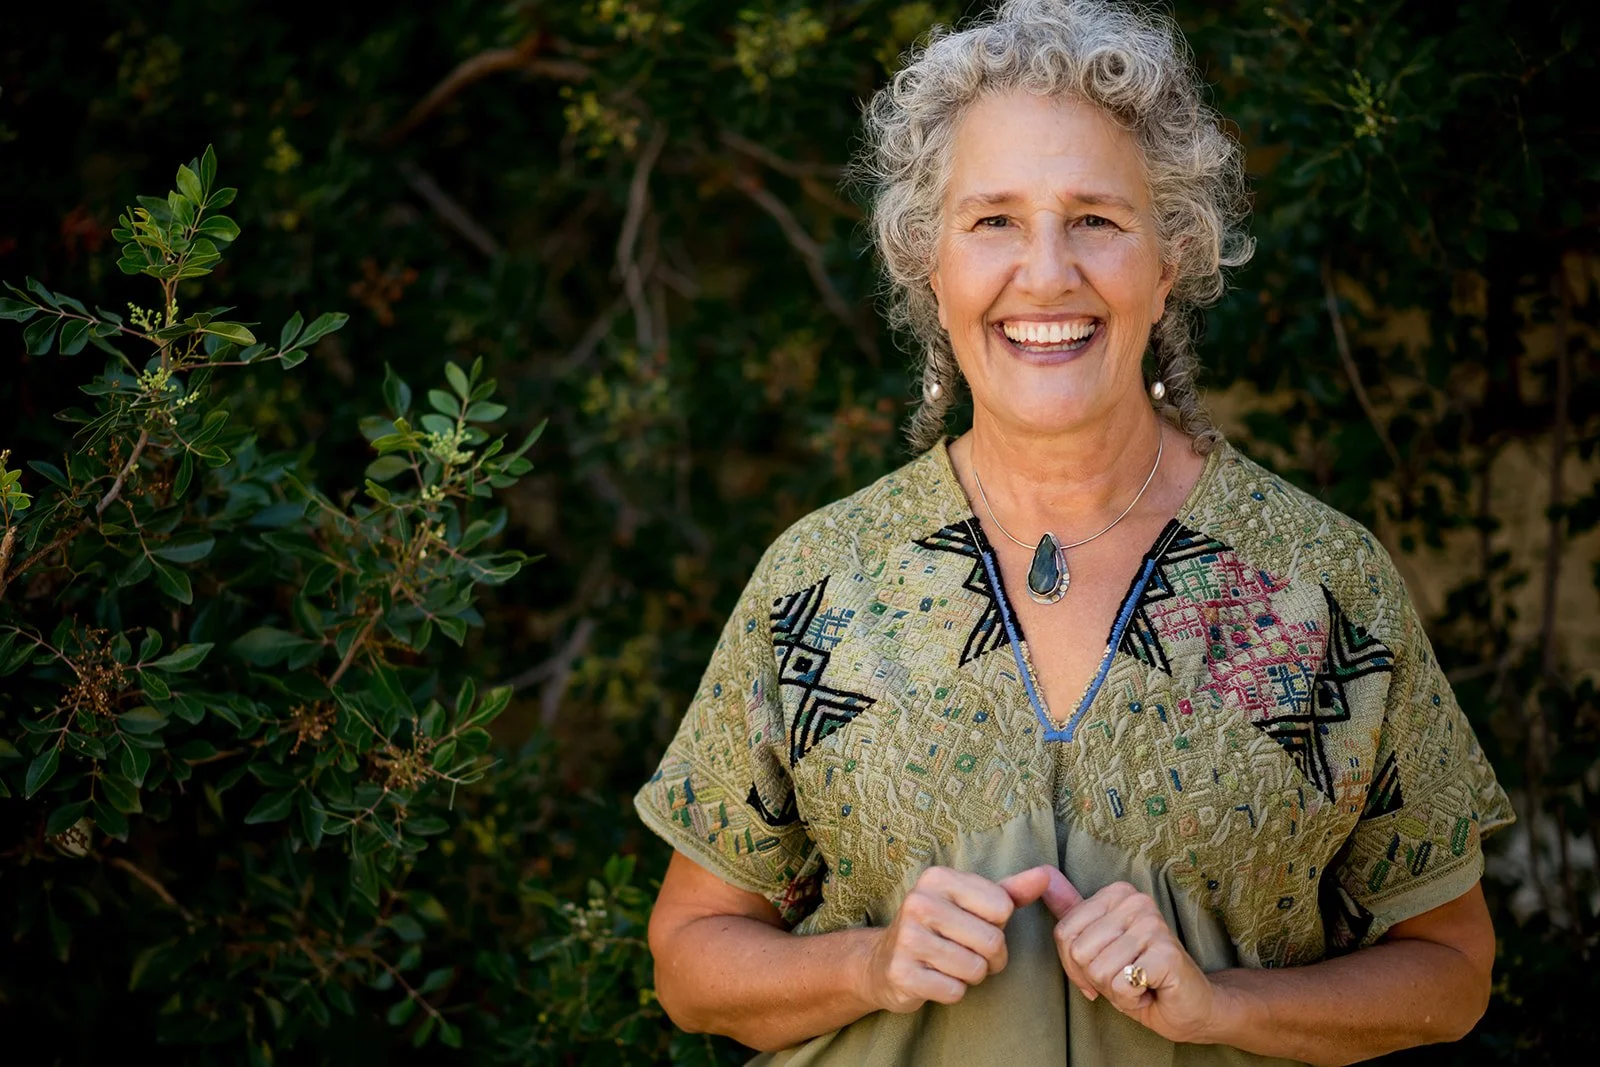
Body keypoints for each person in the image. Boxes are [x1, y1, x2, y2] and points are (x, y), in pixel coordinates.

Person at [634, 2, 1514, 1063]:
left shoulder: (1306, 588)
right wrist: (868, 964)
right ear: (931, 265)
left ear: (1170, 256)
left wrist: (1223, 1004)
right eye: (992, 220)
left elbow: (1452, 967)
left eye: (1095, 218)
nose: (1046, 273)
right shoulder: (826, 585)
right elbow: (689, 959)